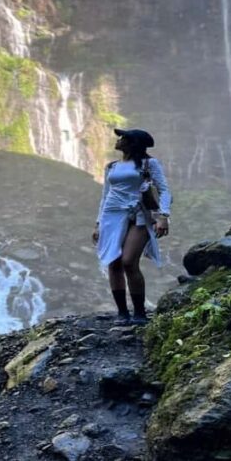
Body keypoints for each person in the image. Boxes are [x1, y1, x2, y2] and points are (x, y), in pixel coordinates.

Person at [93, 128, 172, 324]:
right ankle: (122, 312)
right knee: (114, 261)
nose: (119, 140)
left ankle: (139, 312)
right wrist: (98, 224)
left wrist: (163, 216)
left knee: (129, 261)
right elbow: (105, 196)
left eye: (123, 138)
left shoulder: (149, 163)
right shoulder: (111, 167)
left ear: (133, 143)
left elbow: (164, 190)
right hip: (112, 215)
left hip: (139, 214)